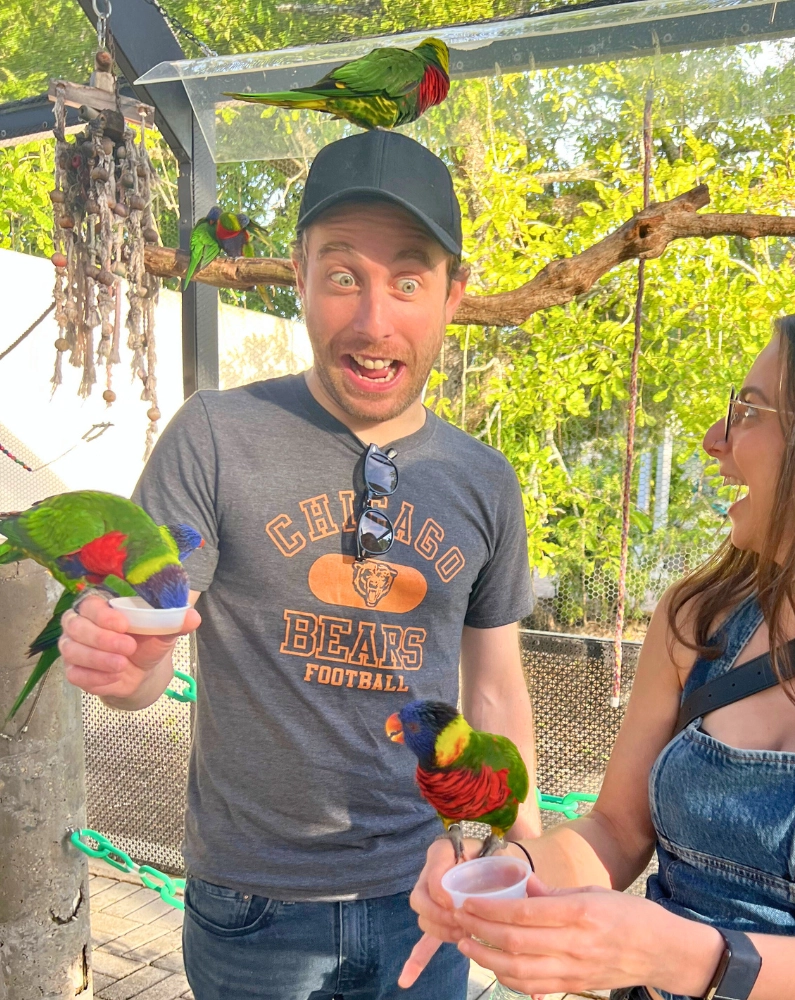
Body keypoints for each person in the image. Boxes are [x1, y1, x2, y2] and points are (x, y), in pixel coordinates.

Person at [57, 130, 541, 1000]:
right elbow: (147, 650)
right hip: (253, 909)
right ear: (300, 278)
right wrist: (120, 665)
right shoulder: (213, 436)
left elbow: (497, 685)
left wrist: (515, 848)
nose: (373, 320)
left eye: (410, 278)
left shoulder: (483, 481)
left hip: (426, 896)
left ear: (454, 296)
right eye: (343, 273)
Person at [405, 295, 795, 1000]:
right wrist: (494, 867)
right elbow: (615, 830)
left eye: (749, 410)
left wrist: (685, 956)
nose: (715, 438)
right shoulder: (699, 615)